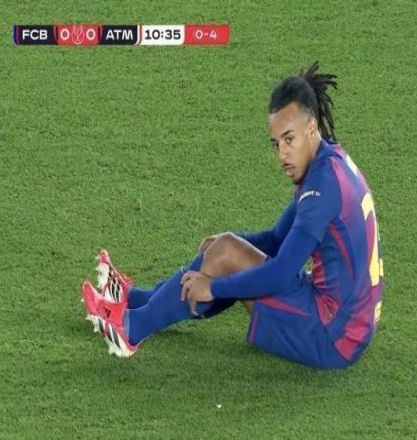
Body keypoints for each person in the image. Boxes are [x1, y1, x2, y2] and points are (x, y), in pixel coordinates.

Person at [81, 61, 384, 369]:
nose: (282, 155)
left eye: (289, 139)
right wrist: (227, 247)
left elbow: (281, 272)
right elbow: (276, 239)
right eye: (276, 144)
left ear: (311, 127)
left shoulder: (322, 187)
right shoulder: (330, 162)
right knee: (225, 249)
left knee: (226, 254)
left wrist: (213, 286)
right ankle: (134, 299)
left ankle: (130, 328)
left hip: (333, 337)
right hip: (348, 324)